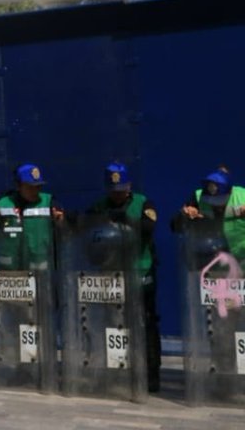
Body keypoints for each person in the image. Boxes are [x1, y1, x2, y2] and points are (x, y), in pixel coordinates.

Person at [84, 162, 161, 393]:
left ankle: (150, 373)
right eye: (114, 190)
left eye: (122, 189)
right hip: (111, 276)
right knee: (113, 324)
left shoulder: (142, 203)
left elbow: (149, 227)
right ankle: (116, 369)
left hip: (141, 272)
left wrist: (124, 219)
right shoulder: (100, 206)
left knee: (145, 323)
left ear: (129, 187)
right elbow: (85, 224)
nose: (118, 194)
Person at [172, 166, 245, 271]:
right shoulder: (197, 198)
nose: (216, 206)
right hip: (214, 271)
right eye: (211, 201)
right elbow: (175, 227)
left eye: (220, 201)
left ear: (230, 192)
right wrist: (184, 215)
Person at [0, 163, 65, 270]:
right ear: (18, 186)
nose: (35, 191)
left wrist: (60, 219)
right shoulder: (2, 204)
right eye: (30, 187)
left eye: (39, 186)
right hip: (9, 269)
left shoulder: (49, 202)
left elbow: (63, 223)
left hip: (39, 269)